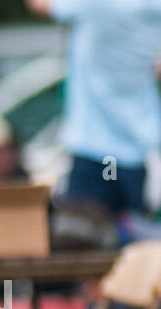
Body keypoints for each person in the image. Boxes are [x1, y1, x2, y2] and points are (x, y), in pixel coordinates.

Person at [27, 0, 161, 216]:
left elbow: (39, 5)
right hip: (136, 157)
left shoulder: (95, 4)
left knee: (86, 242)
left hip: (92, 154)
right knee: (133, 243)